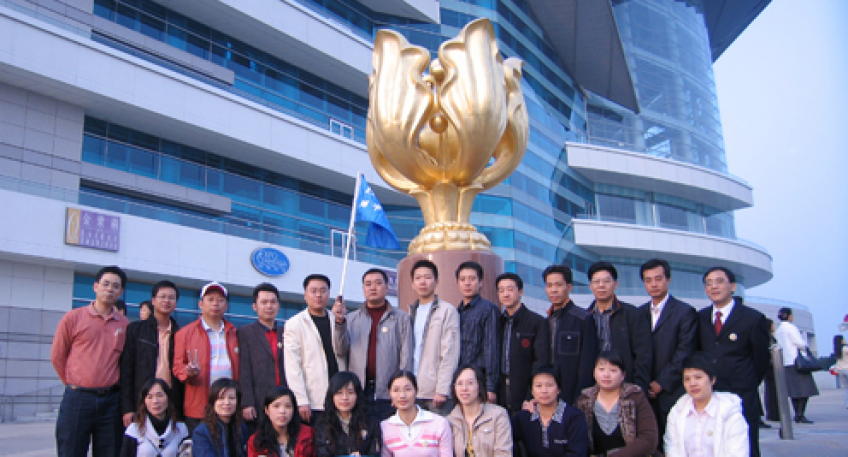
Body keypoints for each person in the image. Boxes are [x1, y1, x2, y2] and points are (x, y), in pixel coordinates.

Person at [51, 265, 130, 457]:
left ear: (120, 291)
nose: (109, 289)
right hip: (78, 398)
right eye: (105, 284)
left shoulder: (124, 324)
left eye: (115, 286)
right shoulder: (73, 318)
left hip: (111, 401)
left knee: (110, 452)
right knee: (71, 451)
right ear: (95, 286)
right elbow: (58, 356)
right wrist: (74, 383)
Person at [696, 267, 769, 457]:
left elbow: (761, 360)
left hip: (742, 395)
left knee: (745, 447)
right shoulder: (700, 318)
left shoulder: (753, 318)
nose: (714, 286)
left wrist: (747, 381)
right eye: (709, 283)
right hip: (710, 395)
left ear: (733, 286)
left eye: (719, 281)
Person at [334, 268, 413, 421]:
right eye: (368, 284)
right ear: (363, 289)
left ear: (387, 287)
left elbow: (406, 356)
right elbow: (340, 350)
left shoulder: (401, 318)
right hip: (359, 391)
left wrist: (401, 390)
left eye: (378, 283)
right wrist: (339, 323)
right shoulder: (350, 319)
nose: (373, 287)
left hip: (389, 392)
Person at [638, 259, 697, 449]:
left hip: (673, 391)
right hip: (645, 392)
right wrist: (644, 382)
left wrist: (661, 382)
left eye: (658, 279)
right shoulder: (638, 314)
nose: (653, 284)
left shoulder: (685, 312)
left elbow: (685, 351)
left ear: (668, 280)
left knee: (676, 444)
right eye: (648, 280)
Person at [173, 281, 240, 433]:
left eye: (220, 300)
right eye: (210, 299)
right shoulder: (184, 333)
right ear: (200, 304)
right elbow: (177, 367)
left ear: (226, 306)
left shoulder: (235, 333)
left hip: (229, 406)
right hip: (199, 406)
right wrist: (187, 372)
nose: (215, 304)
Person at [284, 274, 346, 425]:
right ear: (305, 295)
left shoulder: (338, 320)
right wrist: (300, 400)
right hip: (314, 400)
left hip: (341, 397)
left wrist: (341, 321)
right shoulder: (295, 324)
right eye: (313, 291)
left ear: (329, 294)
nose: (318, 295)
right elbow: (293, 366)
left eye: (323, 291)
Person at [121, 280, 183, 428]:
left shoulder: (181, 334)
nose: (166, 301)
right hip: (142, 400)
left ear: (176, 303)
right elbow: (126, 370)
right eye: (162, 297)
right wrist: (127, 408)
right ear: (153, 300)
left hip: (171, 401)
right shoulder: (136, 330)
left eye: (171, 297)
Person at [664, 352, 749, 457]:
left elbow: (738, 452)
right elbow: (672, 448)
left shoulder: (730, 413)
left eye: (698, 377)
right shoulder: (677, 412)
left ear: (712, 379)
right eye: (687, 379)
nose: (692, 383)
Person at [587, 262, 652, 395]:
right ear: (591, 286)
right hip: (593, 387)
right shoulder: (584, 317)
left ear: (615, 284)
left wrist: (638, 388)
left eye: (606, 281)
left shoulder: (633, 314)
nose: (601, 285)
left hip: (626, 385)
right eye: (596, 281)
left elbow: (643, 355)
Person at [575, 351, 658, 456]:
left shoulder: (635, 397)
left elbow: (649, 438)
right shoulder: (583, 401)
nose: (606, 375)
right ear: (594, 373)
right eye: (601, 369)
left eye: (613, 370)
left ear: (623, 375)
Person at [407, 260, 460, 415]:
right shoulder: (410, 312)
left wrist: (442, 389)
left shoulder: (447, 311)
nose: (422, 282)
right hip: (413, 390)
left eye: (427, 277)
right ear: (412, 284)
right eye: (418, 278)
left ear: (436, 281)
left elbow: (450, 353)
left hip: (435, 394)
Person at [495, 272, 550, 415]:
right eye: (501, 290)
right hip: (501, 392)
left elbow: (541, 361)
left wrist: (531, 395)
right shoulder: (498, 322)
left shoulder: (536, 322)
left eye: (510, 289)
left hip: (525, 392)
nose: (505, 294)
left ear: (520, 292)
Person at [543, 264, 598, 403]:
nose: (553, 290)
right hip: (548, 391)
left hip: (573, 392)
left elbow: (588, 361)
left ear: (569, 287)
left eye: (558, 285)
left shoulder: (583, 318)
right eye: (549, 285)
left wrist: (582, 395)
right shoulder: (545, 320)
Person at [238, 283, 287, 434]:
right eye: (264, 302)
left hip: (284, 401)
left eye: (273, 302)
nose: (269, 306)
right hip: (259, 402)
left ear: (278, 305)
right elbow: (244, 370)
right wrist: (247, 402)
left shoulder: (287, 332)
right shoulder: (245, 333)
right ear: (255, 306)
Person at [512, 364, 588, 457]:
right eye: (538, 386)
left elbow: (578, 453)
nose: (544, 390)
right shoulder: (523, 418)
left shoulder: (574, 417)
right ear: (532, 391)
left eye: (549, 385)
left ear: (558, 389)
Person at [455, 261, 500, 402]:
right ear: (458, 283)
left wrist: (491, 387)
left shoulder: (488, 309)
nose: (467, 283)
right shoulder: (456, 312)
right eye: (463, 279)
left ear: (480, 282)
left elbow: (491, 348)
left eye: (472, 279)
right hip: (460, 381)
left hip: (480, 381)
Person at [380, 370, 453, 456]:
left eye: (407, 389)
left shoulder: (439, 423)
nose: (402, 395)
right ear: (389, 393)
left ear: (416, 391)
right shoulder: (385, 427)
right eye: (396, 390)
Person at [447, 364, 512, 457]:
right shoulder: (449, 421)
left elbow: (504, 454)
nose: (464, 388)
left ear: (479, 385)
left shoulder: (498, 415)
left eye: (470, 383)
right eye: (460, 383)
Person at [314, 371, 381, 456]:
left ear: (357, 395)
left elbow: (375, 453)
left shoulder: (371, 422)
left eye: (350, 392)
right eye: (339, 393)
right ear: (332, 396)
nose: (345, 398)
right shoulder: (323, 424)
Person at [119, 378, 189, 456]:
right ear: (144, 401)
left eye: (160, 396)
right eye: (150, 397)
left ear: (168, 398)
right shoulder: (134, 430)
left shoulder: (181, 429)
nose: (155, 401)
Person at [774, 307, 819, 423]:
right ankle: (800, 414)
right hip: (797, 362)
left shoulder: (778, 330)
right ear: (789, 316)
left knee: (794, 391)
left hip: (786, 362)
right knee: (805, 389)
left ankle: (797, 414)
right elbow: (800, 343)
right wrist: (806, 349)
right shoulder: (791, 327)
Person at [247, 387, 315, 457]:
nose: (282, 411)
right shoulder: (256, 441)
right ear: (267, 410)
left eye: (288, 406)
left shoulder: (308, 435)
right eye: (276, 406)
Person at [193, 378, 248, 457]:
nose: (227, 402)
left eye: (231, 398)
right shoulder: (201, 432)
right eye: (221, 398)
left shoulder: (241, 428)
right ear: (213, 402)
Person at [830, 335, 848, 407]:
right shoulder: (845, 348)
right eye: (843, 339)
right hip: (847, 369)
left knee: (846, 388)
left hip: (840, 370)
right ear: (841, 340)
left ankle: (847, 404)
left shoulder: (837, 350)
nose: (845, 340)